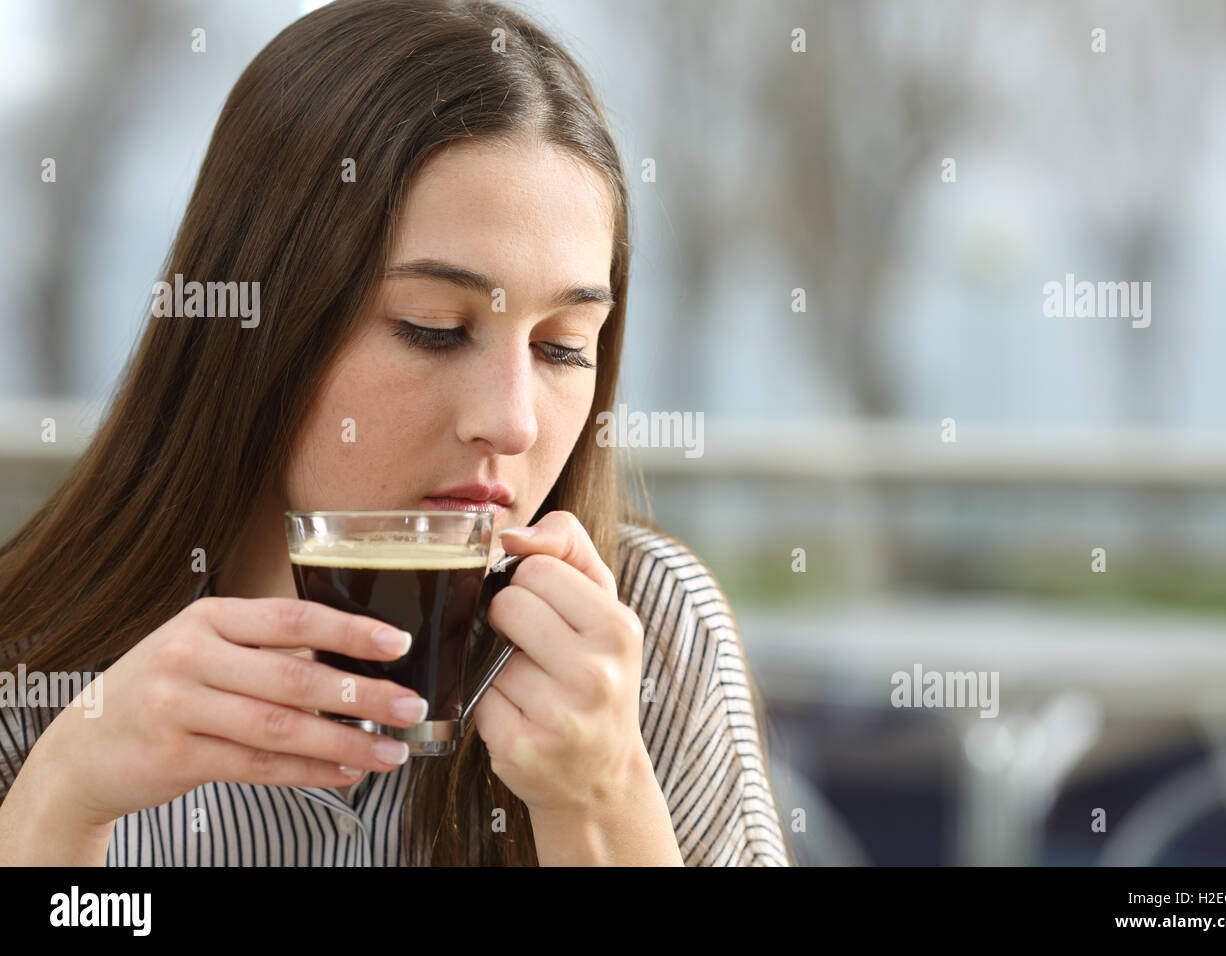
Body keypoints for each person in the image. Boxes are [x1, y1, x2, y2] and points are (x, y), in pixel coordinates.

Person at [0, 0, 790, 866]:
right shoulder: (33, 674)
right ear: (258, 328)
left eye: (563, 347)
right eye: (433, 328)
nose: (512, 421)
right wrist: (58, 803)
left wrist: (598, 801)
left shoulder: (649, 633)